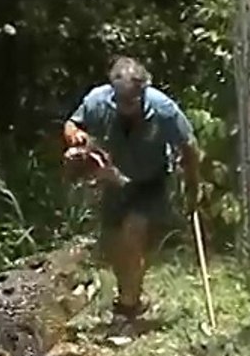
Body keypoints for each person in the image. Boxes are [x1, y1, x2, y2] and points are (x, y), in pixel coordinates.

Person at [63, 56, 200, 327]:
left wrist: (193, 187)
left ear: (144, 91)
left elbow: (190, 147)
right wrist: (75, 136)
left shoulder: (165, 110)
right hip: (114, 179)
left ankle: (127, 310)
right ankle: (131, 296)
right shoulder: (97, 100)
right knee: (115, 247)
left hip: (151, 181)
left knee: (133, 234)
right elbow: (71, 123)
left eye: (133, 100)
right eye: (122, 100)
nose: (127, 107)